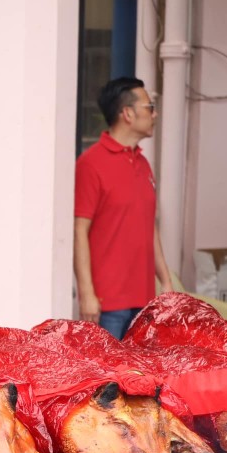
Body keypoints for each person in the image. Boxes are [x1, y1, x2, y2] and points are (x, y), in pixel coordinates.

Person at [74, 77, 173, 339]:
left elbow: (149, 226)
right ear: (127, 113)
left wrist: (165, 282)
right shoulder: (91, 163)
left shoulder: (143, 164)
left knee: (139, 377)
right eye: (149, 107)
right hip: (108, 305)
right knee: (106, 378)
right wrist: (86, 293)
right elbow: (79, 230)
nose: (155, 113)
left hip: (144, 302)